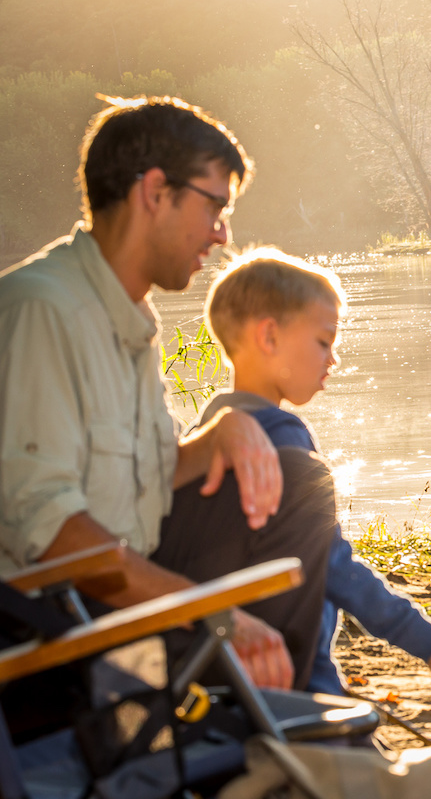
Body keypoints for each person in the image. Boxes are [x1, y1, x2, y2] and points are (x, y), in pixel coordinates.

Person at [0, 96, 336, 694]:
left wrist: (220, 436)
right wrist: (207, 608)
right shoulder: (43, 310)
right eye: (214, 206)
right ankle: (254, 713)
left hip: (125, 573)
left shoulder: (130, 316)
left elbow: (149, 481)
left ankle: (275, 701)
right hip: (57, 619)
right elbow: (50, 532)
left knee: (298, 480)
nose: (222, 232)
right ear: (155, 192)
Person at [198, 247, 431, 710]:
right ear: (269, 336)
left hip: (218, 670)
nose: (333, 359)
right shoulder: (285, 440)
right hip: (297, 676)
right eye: (323, 341)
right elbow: (334, 566)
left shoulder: (204, 435)